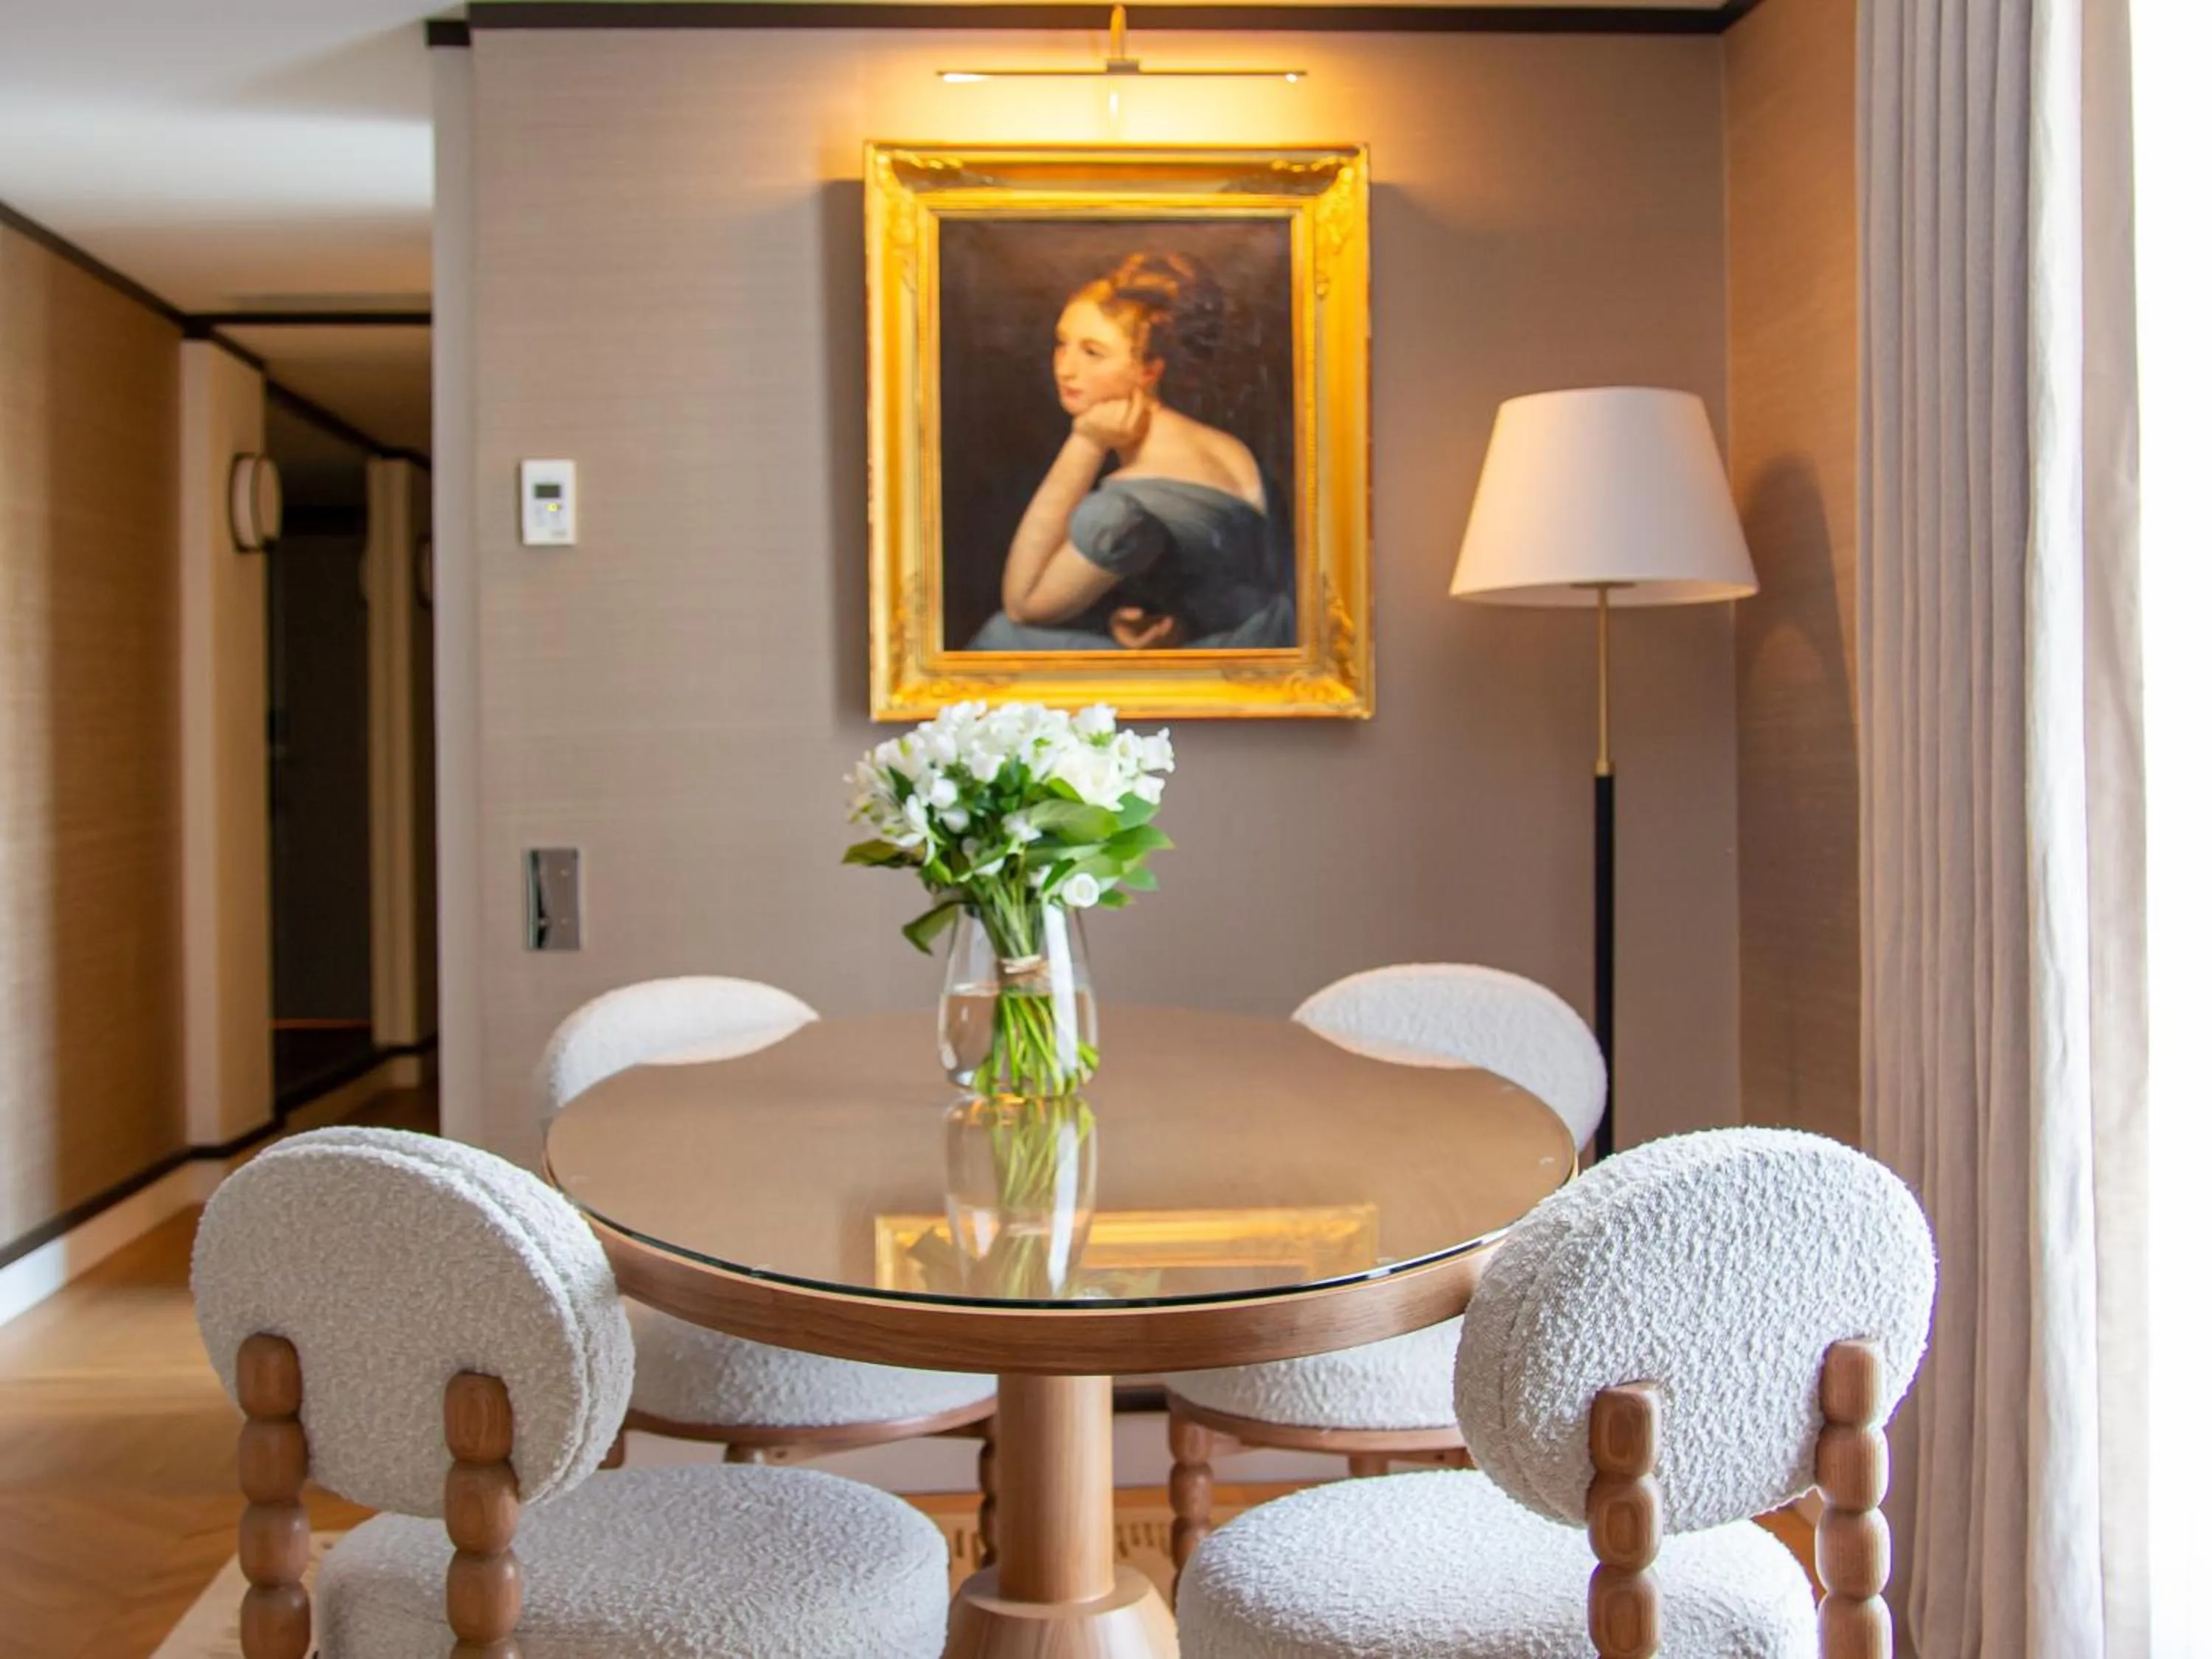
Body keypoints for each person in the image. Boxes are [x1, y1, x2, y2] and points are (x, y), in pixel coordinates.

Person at [967, 251, 1295, 653]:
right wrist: (1176, 628)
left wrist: (1085, 444)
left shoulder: (1125, 505)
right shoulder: (1228, 450)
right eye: (1062, 344)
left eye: (1093, 352)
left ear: (1150, 369)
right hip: (1247, 645)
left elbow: (1023, 605)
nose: (1065, 368)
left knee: (1003, 636)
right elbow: (1231, 588)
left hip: (1228, 667)